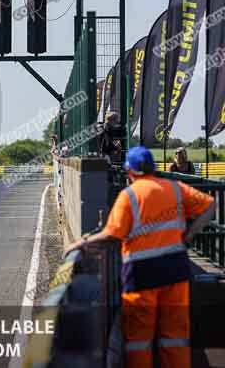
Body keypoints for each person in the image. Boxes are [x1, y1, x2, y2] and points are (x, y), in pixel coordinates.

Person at [66, 146, 215, 368]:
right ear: (153, 168)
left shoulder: (129, 196)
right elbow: (210, 206)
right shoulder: (175, 188)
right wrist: (190, 234)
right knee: (175, 336)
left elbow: (111, 235)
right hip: (175, 270)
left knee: (139, 339)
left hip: (141, 274)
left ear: (129, 170)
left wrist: (82, 243)